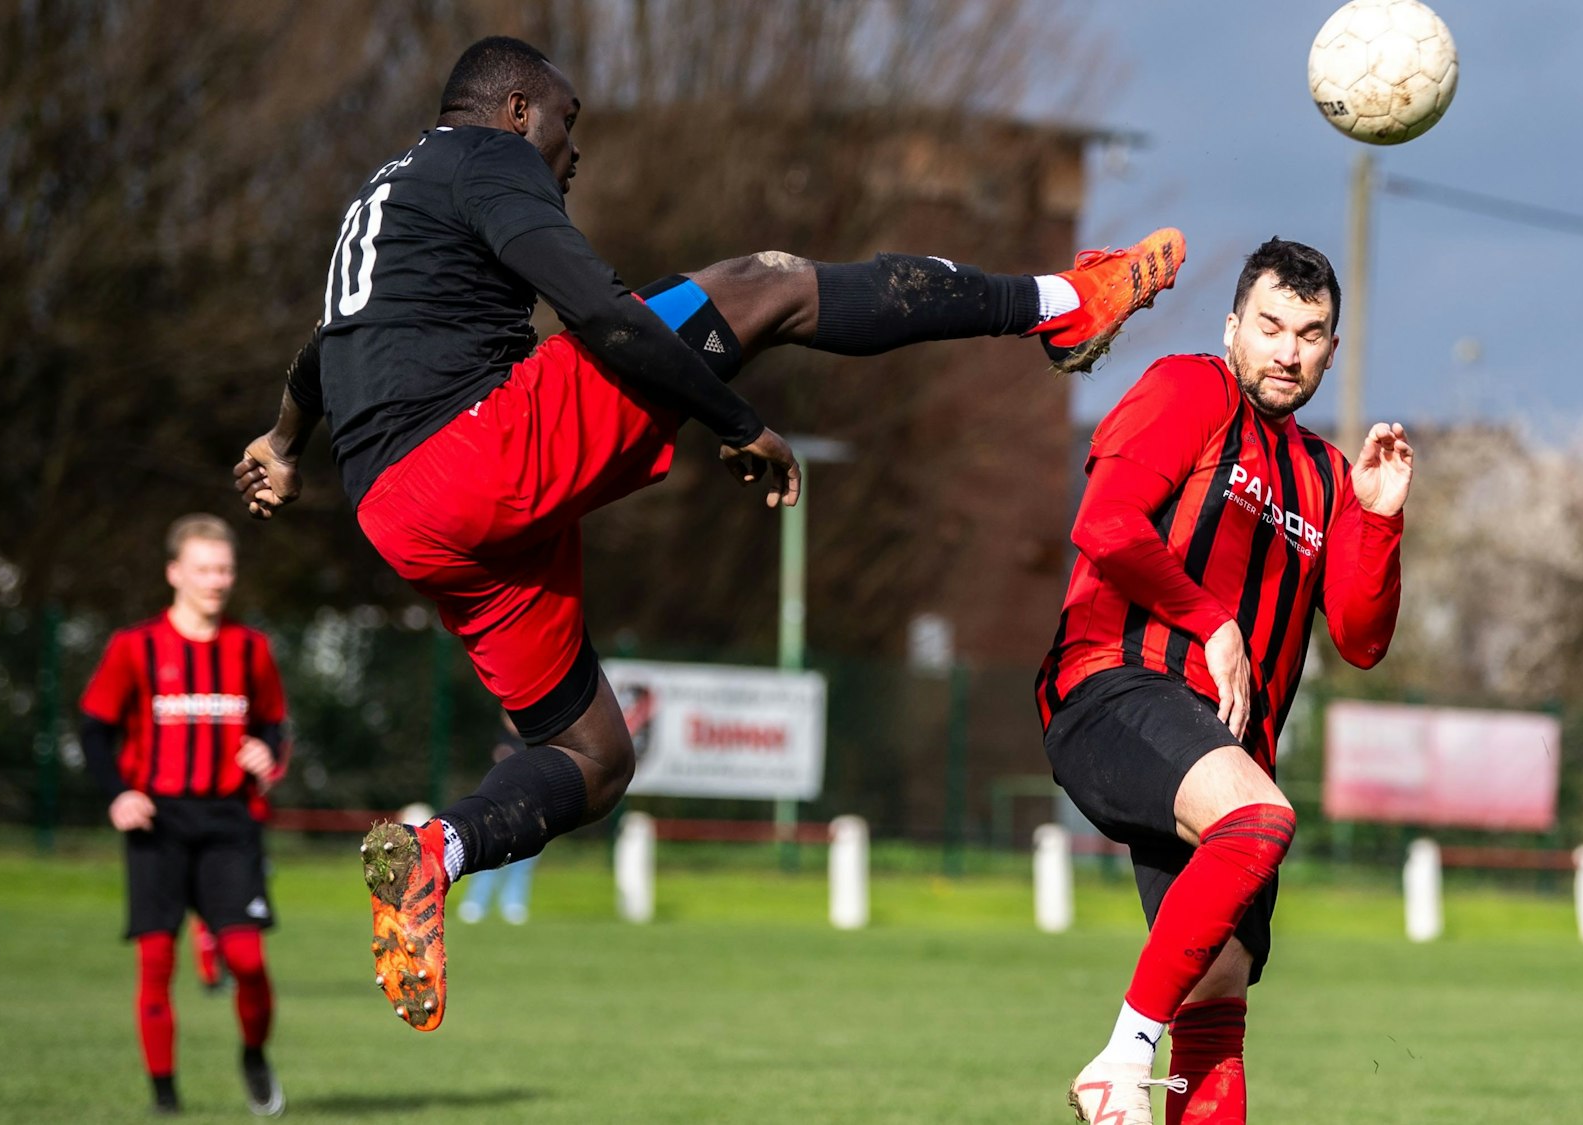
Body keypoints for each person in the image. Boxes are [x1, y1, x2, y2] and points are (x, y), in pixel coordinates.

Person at [230, 35, 1184, 1033]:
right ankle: (1065, 303)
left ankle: (438, 856)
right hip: (474, 457)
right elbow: (594, 307)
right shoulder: (489, 158)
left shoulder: (387, 198)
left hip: (401, 514)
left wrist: (286, 440)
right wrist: (735, 421)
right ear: (514, 110)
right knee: (767, 280)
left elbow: (325, 348)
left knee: (591, 755)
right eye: (567, 119)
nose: (573, 148)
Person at [1034, 239, 1413, 1125]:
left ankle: (1142, 1061)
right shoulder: (1188, 387)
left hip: (1229, 743)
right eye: (1271, 325)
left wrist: (1381, 520)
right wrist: (1212, 620)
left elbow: (1361, 641)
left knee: (1218, 996)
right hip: (1114, 687)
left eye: (1311, 334)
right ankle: (1122, 1060)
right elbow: (1106, 523)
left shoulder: (1326, 475)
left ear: (1332, 348)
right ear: (1234, 324)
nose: (1288, 350)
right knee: (1262, 817)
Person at [79, 514, 289, 1117]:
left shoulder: (251, 649)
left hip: (229, 822)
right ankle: (166, 1098)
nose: (215, 580)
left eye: (223, 568)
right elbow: (94, 728)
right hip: (158, 824)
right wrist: (118, 793)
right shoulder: (134, 647)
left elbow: (274, 725)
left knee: (247, 960)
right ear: (175, 573)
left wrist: (267, 753)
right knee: (156, 962)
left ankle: (253, 1055)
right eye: (203, 568)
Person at [456, 714, 540, 925]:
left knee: (523, 861)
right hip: (500, 812)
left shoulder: (536, 742)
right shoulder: (500, 741)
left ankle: (514, 904)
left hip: (529, 810)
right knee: (491, 857)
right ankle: (475, 903)